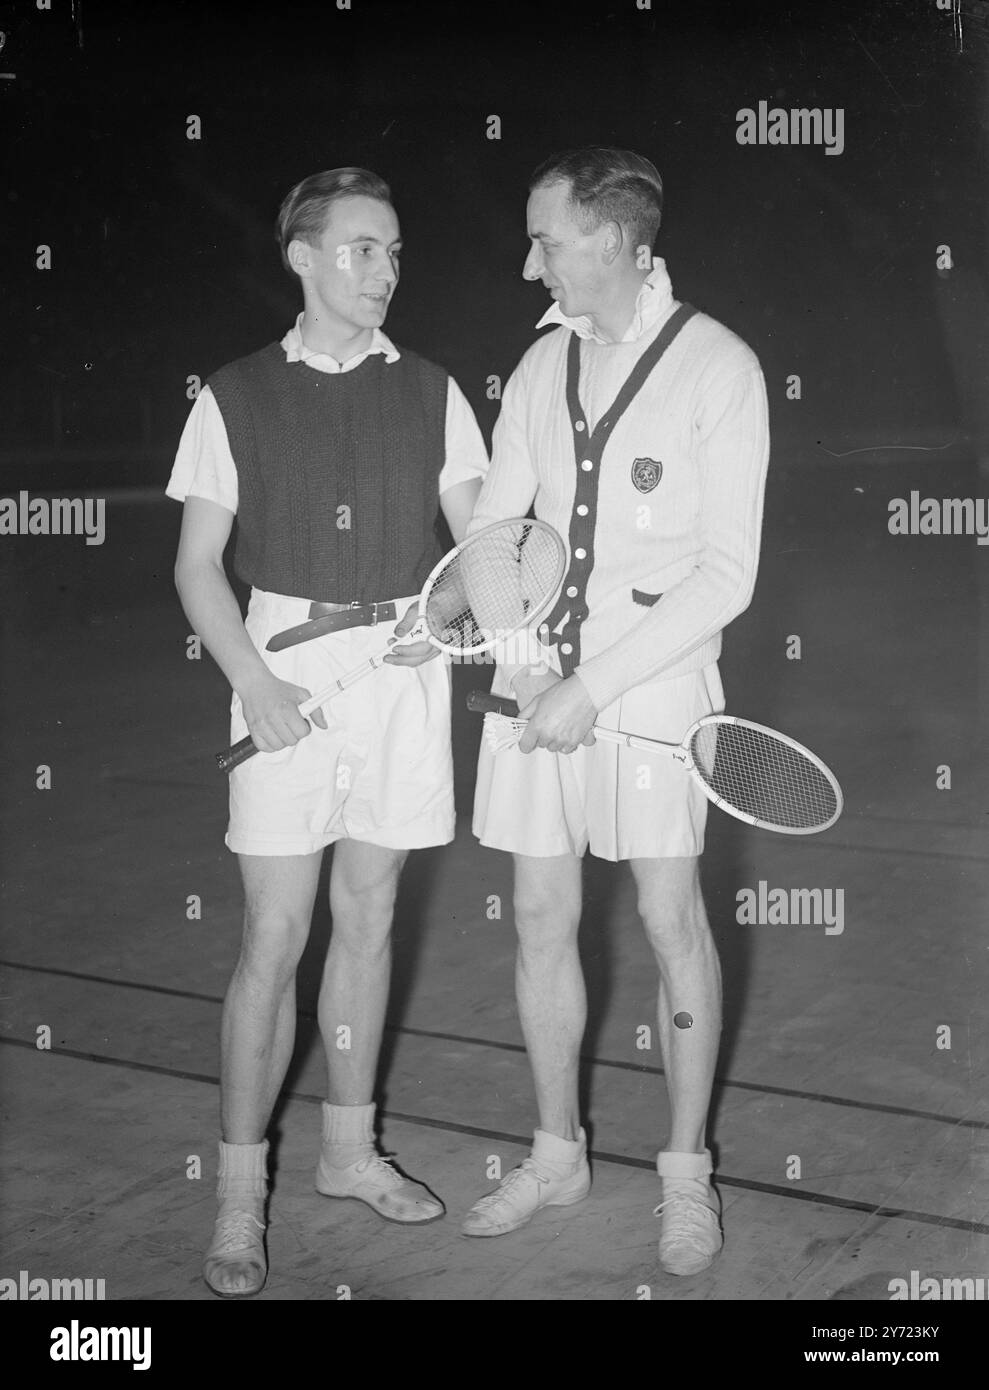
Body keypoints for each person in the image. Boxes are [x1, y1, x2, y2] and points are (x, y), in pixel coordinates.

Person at [168, 167, 487, 1297]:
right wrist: (250, 680)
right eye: (360, 251)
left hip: (398, 673)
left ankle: (348, 1153)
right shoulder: (236, 394)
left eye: (394, 253)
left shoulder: (436, 390)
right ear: (300, 256)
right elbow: (197, 564)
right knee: (275, 935)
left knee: (369, 915)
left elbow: (481, 553)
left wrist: (442, 618)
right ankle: (239, 1194)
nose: (383, 273)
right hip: (280, 664)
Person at [463, 147, 770, 1276]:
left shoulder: (718, 369)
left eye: (544, 236)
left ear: (613, 241)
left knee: (666, 921)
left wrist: (594, 685)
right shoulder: (538, 366)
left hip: (652, 694)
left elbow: (724, 575)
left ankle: (685, 1173)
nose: (528, 257)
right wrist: (524, 660)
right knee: (539, 918)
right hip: (535, 689)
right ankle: (556, 1153)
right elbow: (495, 534)